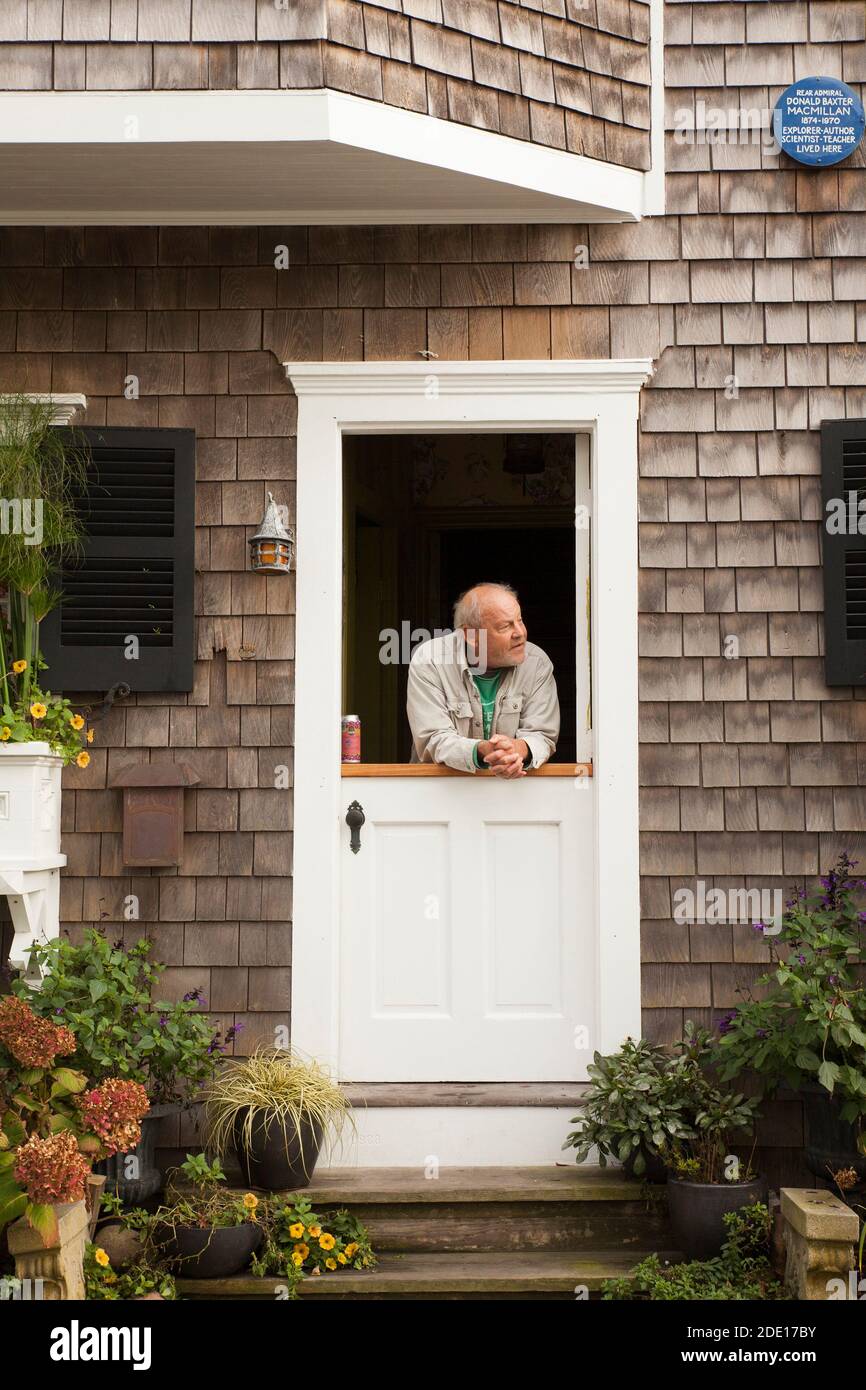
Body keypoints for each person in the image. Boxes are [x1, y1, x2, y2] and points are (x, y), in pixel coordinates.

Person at [406, 582, 560, 777]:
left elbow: (542, 735)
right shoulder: (430, 660)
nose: (520, 633)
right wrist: (483, 751)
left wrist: (516, 751)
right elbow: (433, 738)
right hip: (440, 795)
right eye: (506, 626)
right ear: (471, 636)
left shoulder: (536, 663)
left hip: (515, 795)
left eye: (520, 620)